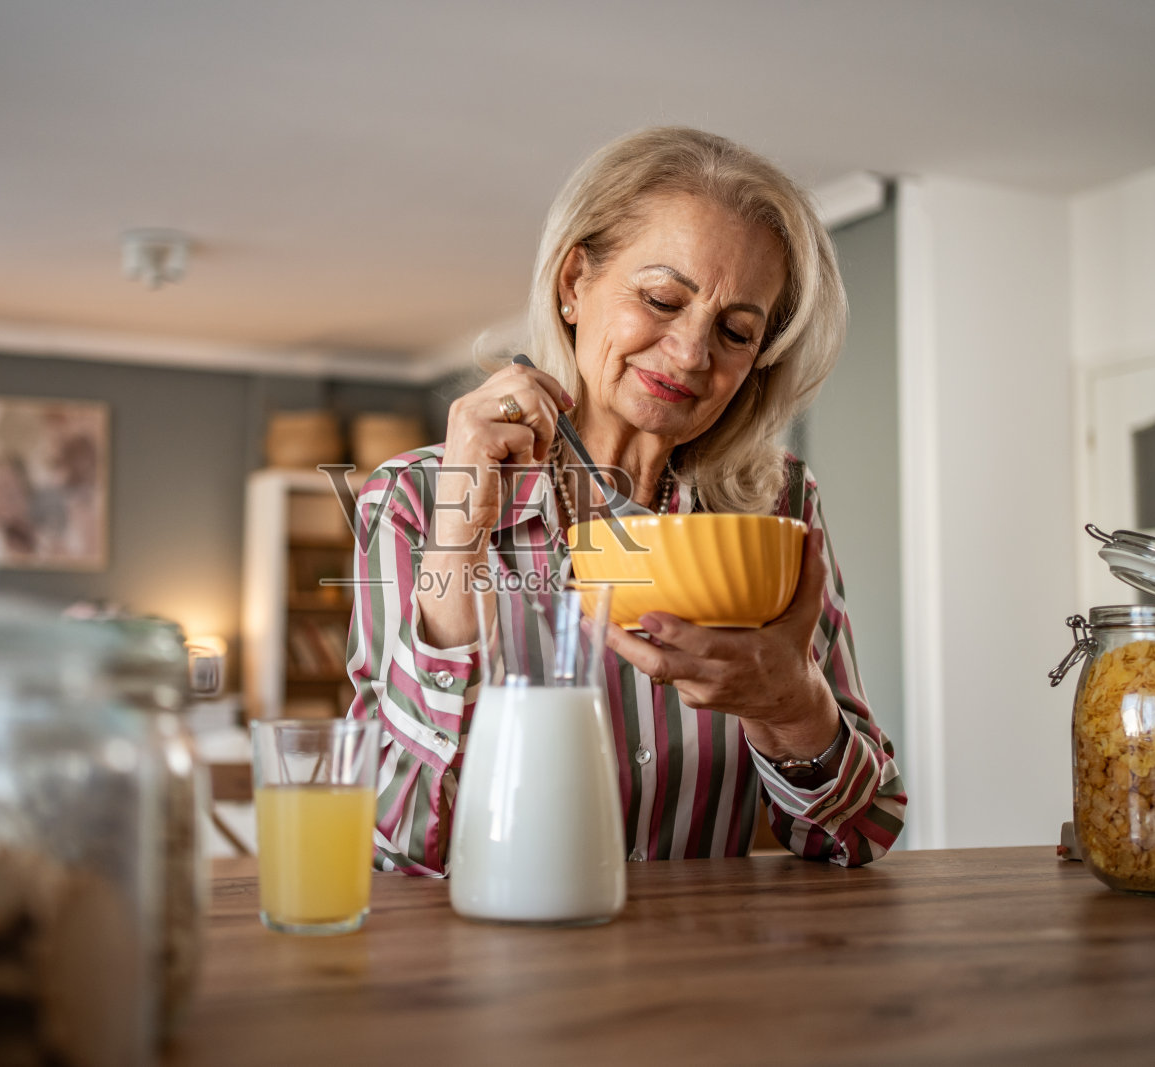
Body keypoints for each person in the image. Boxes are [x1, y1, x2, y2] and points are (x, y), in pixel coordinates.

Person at [345, 127, 905, 873]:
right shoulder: (415, 500)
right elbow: (400, 848)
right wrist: (459, 547)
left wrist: (793, 705)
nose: (691, 353)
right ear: (575, 283)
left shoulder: (782, 506)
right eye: (663, 299)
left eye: (736, 331)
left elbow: (860, 833)